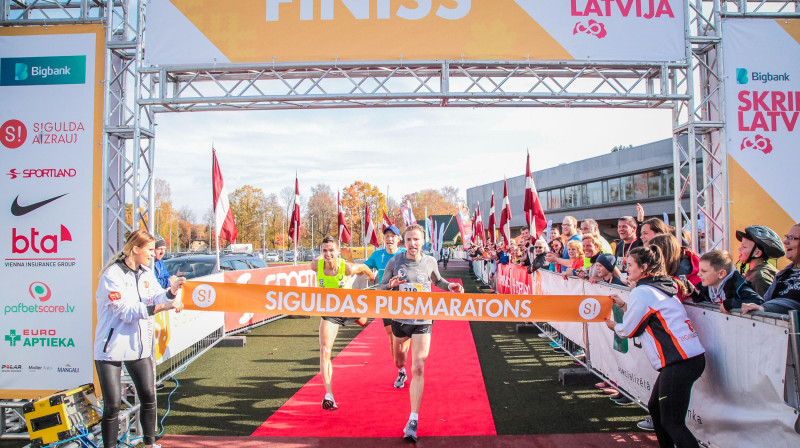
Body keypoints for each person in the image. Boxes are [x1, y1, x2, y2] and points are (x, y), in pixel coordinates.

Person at [605, 245, 705, 448]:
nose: (626, 269)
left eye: (630, 265)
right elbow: (646, 318)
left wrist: (615, 326)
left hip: (680, 361)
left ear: (643, 267)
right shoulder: (655, 287)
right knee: (656, 408)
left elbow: (630, 329)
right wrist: (624, 306)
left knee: (671, 421)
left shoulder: (643, 292)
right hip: (685, 359)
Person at [94, 230, 186, 448]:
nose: (154, 254)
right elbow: (125, 311)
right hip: (111, 349)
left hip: (139, 347)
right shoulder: (111, 275)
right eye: (150, 250)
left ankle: (150, 444)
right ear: (135, 249)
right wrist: (163, 306)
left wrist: (171, 292)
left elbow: (156, 296)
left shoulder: (146, 272)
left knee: (148, 396)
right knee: (113, 406)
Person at [378, 224, 464, 442]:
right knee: (400, 361)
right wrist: (390, 285)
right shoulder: (394, 261)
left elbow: (438, 281)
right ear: (404, 242)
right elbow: (380, 287)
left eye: (416, 240)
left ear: (422, 242)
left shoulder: (430, 262)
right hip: (399, 320)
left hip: (423, 320)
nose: (412, 244)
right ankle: (400, 371)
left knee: (418, 366)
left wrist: (450, 286)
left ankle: (413, 419)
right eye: (408, 240)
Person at [312, 236, 376, 411]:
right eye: (324, 250)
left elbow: (363, 267)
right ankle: (329, 395)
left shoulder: (346, 267)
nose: (328, 254)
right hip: (330, 312)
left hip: (349, 307)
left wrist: (371, 277)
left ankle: (359, 318)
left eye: (331, 250)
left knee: (365, 322)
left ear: (338, 252)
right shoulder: (316, 265)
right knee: (325, 349)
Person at [742, 223, 800, 315]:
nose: (785, 242)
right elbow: (764, 301)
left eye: (792, 238)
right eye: (787, 237)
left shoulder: (761, 275)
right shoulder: (782, 274)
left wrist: (764, 309)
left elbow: (793, 305)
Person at [696, 250, 763, 313]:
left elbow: (757, 300)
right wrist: (694, 293)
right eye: (699, 270)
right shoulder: (711, 286)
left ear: (721, 274)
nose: (698, 274)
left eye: (704, 271)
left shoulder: (736, 285)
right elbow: (704, 297)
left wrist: (729, 304)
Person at [735, 225, 785, 296]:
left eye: (744, 247)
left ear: (757, 253)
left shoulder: (760, 277)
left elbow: (762, 304)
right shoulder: (754, 271)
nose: (739, 249)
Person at [649, 234, 701, 299]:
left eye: (654, 252)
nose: (652, 257)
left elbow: (673, 294)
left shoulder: (684, 268)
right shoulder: (677, 264)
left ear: (663, 252)